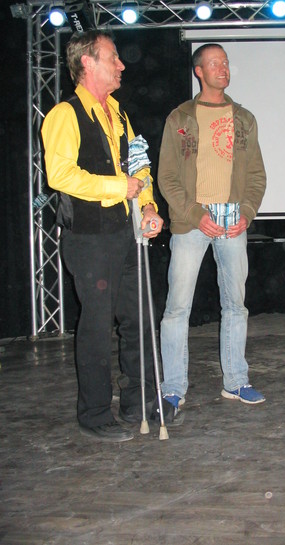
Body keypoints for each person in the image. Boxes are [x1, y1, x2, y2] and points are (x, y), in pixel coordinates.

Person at [41, 30, 163, 442]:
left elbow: (139, 167)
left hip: (126, 233)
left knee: (139, 319)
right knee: (96, 326)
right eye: (113, 57)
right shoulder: (65, 114)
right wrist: (117, 187)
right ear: (87, 62)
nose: (122, 65)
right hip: (90, 238)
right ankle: (94, 413)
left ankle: (138, 402)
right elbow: (60, 175)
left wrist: (148, 206)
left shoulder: (120, 114)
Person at [157, 43, 267, 422]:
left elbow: (256, 175)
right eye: (215, 63)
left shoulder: (244, 119)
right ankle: (173, 388)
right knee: (177, 309)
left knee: (236, 305)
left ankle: (235, 381)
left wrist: (247, 212)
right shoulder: (180, 118)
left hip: (233, 220)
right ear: (199, 71)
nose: (223, 68)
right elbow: (167, 176)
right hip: (192, 222)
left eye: (226, 62)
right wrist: (194, 213)